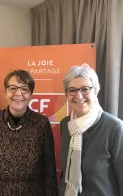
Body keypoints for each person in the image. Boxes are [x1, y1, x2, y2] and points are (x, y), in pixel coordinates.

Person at [0, 69, 58, 196]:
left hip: (32, 192)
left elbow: (49, 168)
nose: (18, 93)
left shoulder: (41, 123)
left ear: (31, 93)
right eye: (12, 88)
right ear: (6, 91)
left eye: (24, 89)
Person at [58, 64, 123, 196]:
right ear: (66, 94)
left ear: (96, 90)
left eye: (85, 89)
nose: (79, 96)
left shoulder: (115, 127)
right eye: (72, 90)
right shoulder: (65, 125)